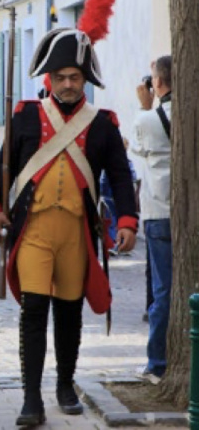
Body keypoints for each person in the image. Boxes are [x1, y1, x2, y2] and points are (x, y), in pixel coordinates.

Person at [0, 0, 138, 426]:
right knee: (34, 311)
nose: (67, 83)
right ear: (48, 78)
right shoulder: (27, 116)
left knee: (69, 312)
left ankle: (65, 384)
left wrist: (126, 221)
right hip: (33, 230)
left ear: (85, 78)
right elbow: (4, 166)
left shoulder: (103, 124)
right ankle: (31, 398)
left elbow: (122, 177)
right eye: (60, 77)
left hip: (76, 232)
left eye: (74, 76)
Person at [130, 55, 172, 383]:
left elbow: (138, 148)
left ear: (157, 83)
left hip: (158, 211)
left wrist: (146, 106)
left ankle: (157, 363)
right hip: (185, 212)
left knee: (162, 290)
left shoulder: (148, 119)